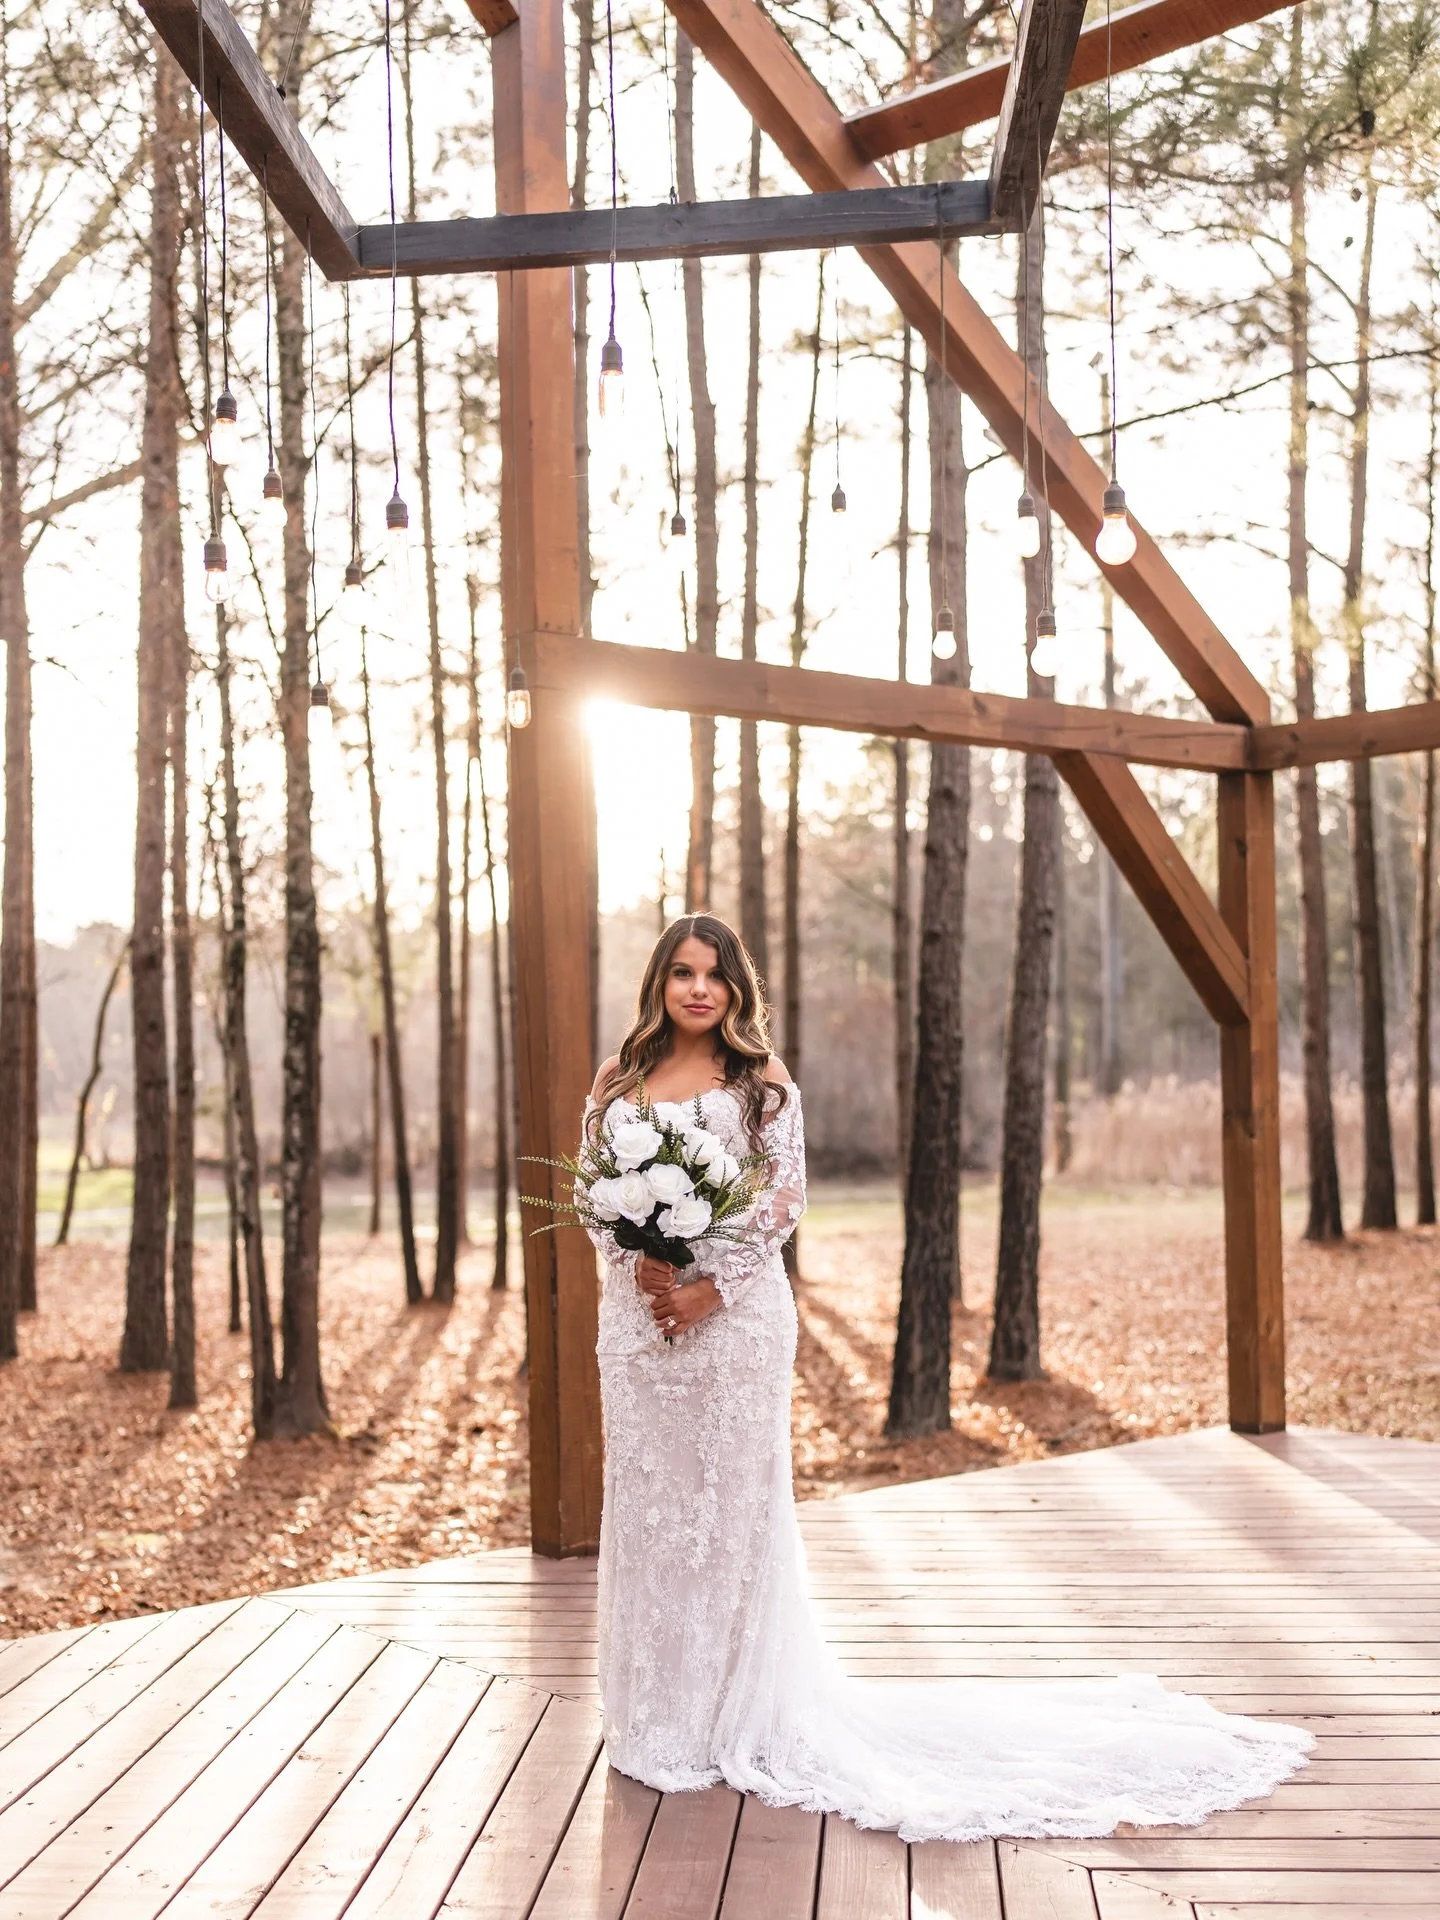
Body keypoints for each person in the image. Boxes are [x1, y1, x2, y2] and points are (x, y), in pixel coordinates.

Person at [584, 912, 1311, 1842]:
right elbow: (593, 1191)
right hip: (639, 1330)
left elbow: (781, 1202)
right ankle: (657, 1716)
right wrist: (639, 1257)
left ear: (736, 988)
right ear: (659, 982)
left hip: (731, 1325)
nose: (698, 989)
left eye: (715, 974)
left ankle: (731, 1715)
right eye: (682, 972)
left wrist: (705, 1290)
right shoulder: (620, 1080)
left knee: (728, 1516)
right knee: (651, 1513)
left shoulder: (760, 1084)